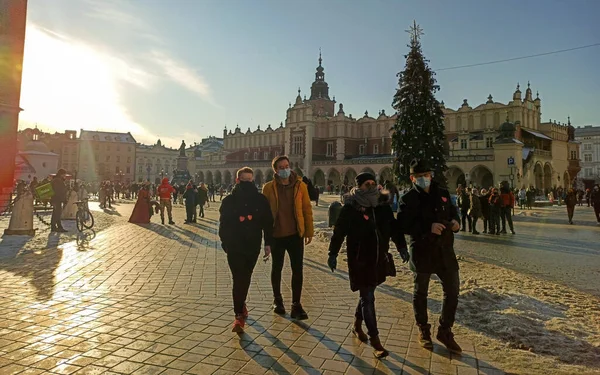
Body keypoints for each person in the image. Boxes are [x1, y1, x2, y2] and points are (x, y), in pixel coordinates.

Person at [328, 172, 409, 359]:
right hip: (359, 259)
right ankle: (376, 341)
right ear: (358, 186)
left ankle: (357, 325)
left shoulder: (382, 206)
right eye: (366, 184)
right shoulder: (350, 208)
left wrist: (402, 246)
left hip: (379, 258)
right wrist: (332, 253)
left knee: (368, 294)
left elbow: (394, 227)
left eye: (373, 183)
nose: (371, 187)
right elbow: (339, 232)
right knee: (368, 297)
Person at [396, 159, 462, 354]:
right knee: (421, 292)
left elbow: (453, 211)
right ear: (412, 178)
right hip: (422, 250)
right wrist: (428, 228)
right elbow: (403, 225)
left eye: (426, 175)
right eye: (419, 177)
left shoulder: (441, 193)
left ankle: (445, 329)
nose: (424, 179)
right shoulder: (407, 199)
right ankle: (423, 330)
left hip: (444, 251)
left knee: (452, 290)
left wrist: (456, 222)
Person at [219, 167, 273, 333]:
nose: (249, 184)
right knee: (238, 278)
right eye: (245, 180)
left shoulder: (261, 200)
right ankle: (238, 315)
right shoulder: (228, 201)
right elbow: (223, 225)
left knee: (246, 277)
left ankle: (241, 304)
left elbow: (268, 223)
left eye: (251, 181)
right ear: (237, 180)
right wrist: (225, 243)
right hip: (234, 245)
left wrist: (268, 243)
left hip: (252, 245)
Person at [262, 155, 314, 320]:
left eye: (287, 166)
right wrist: (267, 239)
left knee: (297, 269)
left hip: (295, 234)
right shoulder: (268, 188)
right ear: (276, 170)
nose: (285, 169)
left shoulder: (300, 186)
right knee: (276, 268)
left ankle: (296, 304)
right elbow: (265, 216)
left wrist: (309, 231)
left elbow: (306, 208)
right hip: (277, 235)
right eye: (281, 167)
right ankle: (278, 300)